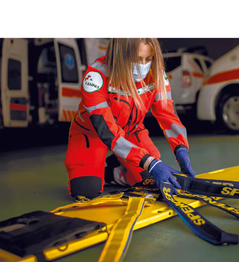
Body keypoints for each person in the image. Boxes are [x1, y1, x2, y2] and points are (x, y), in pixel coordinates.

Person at [65, 38, 195, 200]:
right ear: (119, 54)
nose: (143, 65)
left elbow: (167, 113)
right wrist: (150, 162)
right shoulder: (95, 77)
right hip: (91, 133)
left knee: (151, 181)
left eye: (148, 58)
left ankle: (115, 171)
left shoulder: (157, 74)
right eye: (137, 59)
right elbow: (108, 132)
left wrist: (181, 148)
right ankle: (100, 168)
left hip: (131, 130)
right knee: (86, 191)